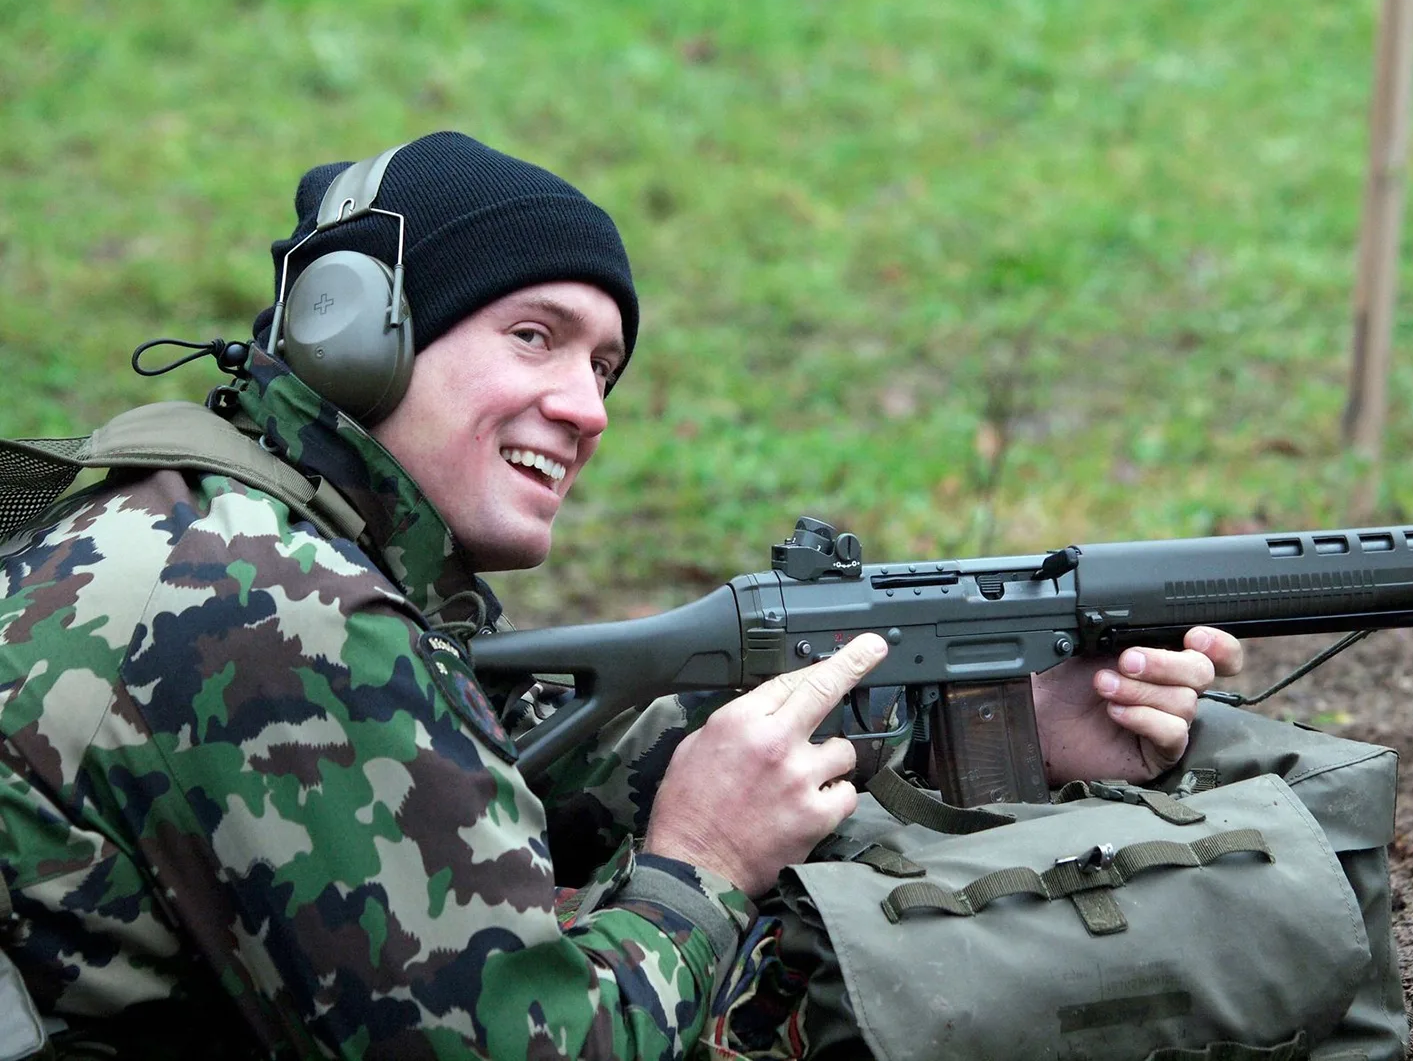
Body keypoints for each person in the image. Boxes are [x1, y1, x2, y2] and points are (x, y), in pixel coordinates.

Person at [0, 131, 1242, 1059]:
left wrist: (996, 712)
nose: (587, 408)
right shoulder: (279, 610)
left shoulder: (205, 523)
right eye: (533, 336)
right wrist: (700, 866)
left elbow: (520, 761)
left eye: (604, 366)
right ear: (354, 332)